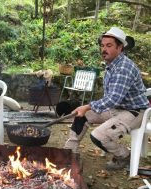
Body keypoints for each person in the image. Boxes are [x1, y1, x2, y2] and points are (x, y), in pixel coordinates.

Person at [63, 27, 150, 170]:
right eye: (102, 45)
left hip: (134, 112)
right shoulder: (111, 64)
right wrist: (86, 109)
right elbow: (111, 100)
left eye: (109, 46)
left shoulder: (123, 67)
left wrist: (87, 105)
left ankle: (124, 156)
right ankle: (69, 151)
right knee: (81, 115)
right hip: (115, 108)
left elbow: (113, 99)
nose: (104, 49)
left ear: (120, 47)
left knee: (98, 136)